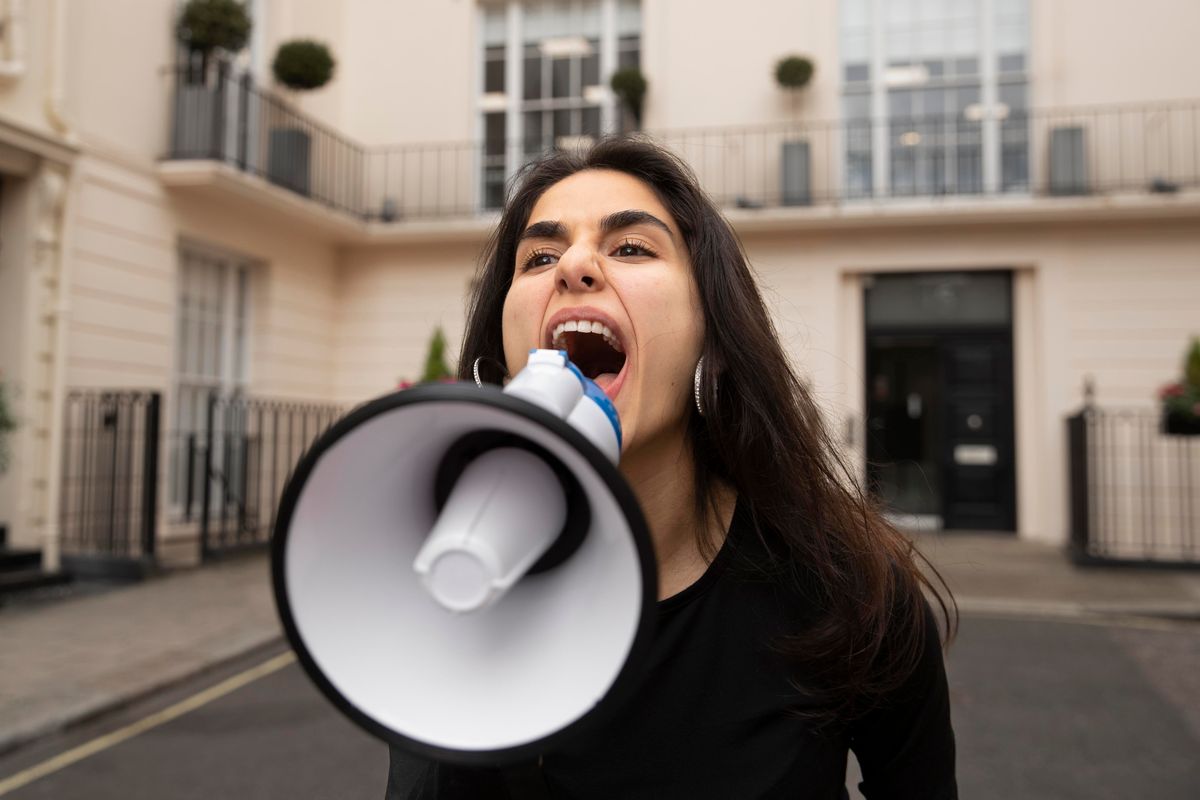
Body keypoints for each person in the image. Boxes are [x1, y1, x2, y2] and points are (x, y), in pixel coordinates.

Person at [387, 136, 957, 799]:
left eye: (631, 247)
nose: (575, 264)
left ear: (709, 331)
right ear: (504, 348)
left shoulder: (846, 590)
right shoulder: (447, 584)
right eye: (539, 256)